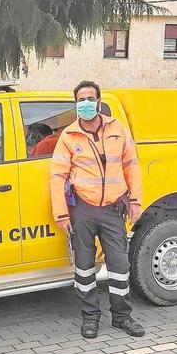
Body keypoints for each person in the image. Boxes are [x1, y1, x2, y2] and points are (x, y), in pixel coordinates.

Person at [50, 81, 144, 339]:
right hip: (82, 209)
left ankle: (122, 316)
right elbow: (57, 176)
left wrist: (135, 201)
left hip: (114, 208)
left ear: (99, 101)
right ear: (76, 104)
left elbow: (132, 166)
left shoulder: (117, 129)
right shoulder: (68, 136)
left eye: (90, 99)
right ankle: (90, 317)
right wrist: (61, 213)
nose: (86, 104)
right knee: (84, 266)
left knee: (119, 264)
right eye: (81, 100)